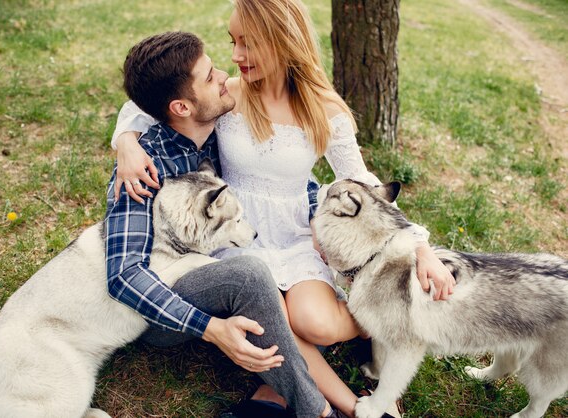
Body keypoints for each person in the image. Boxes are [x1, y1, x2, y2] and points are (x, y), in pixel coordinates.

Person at [111, 1, 456, 416]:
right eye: (232, 41)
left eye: (248, 43)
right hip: (236, 235)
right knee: (275, 315)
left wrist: (421, 249)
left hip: (295, 232)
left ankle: (379, 321)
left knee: (314, 323)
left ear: (282, 42)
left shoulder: (323, 109)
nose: (235, 56)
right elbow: (150, 101)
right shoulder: (229, 96)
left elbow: (362, 182)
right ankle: (353, 408)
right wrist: (125, 143)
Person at [106, 31, 349, 418]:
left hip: (220, 264)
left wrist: (316, 208)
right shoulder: (143, 169)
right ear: (182, 107)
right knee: (251, 276)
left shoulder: (218, 128)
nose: (224, 74)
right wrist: (209, 328)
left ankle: (271, 398)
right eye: (209, 76)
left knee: (283, 300)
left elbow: (275, 175)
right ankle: (319, 409)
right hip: (158, 311)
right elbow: (122, 276)